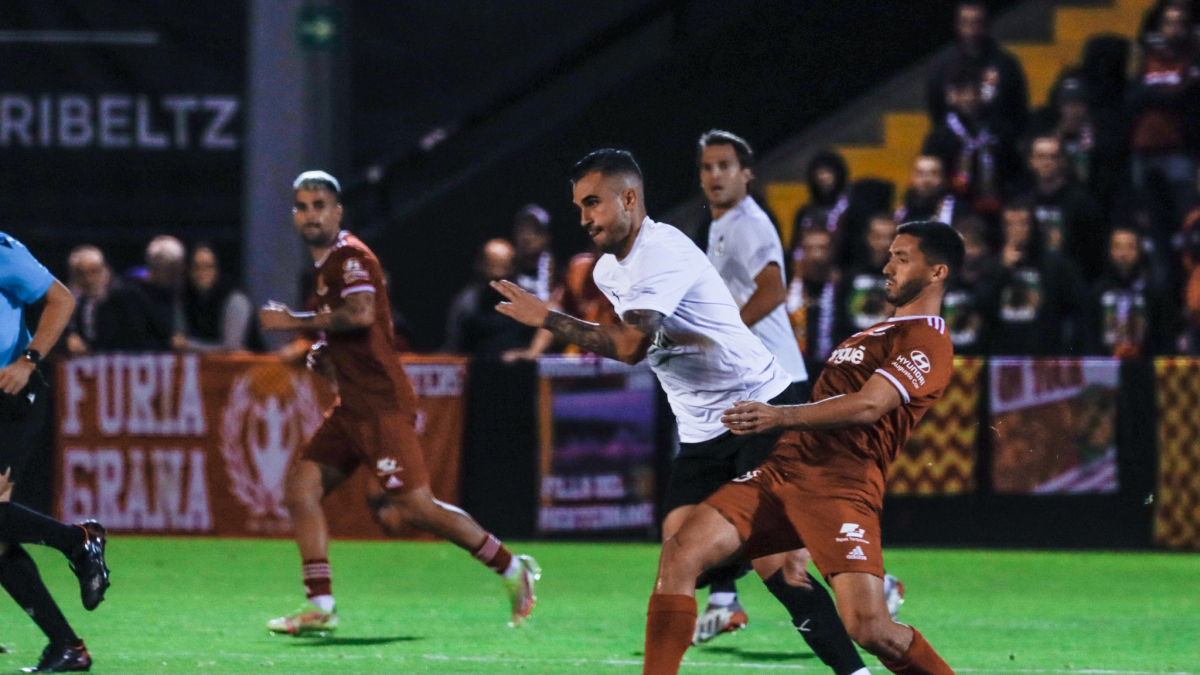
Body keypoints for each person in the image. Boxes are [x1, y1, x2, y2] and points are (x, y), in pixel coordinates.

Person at [491, 150, 869, 675]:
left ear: (629, 198)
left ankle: (857, 664)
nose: (584, 218)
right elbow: (646, 343)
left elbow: (629, 347)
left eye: (593, 203)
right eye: (579, 206)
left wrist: (547, 318)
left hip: (759, 412)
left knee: (778, 568)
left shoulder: (664, 248)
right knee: (676, 557)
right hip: (702, 436)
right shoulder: (606, 269)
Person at [638, 221, 964, 675]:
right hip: (782, 474)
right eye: (889, 255)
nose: (887, 267)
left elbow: (870, 406)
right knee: (680, 553)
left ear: (937, 273)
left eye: (902, 258)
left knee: (870, 629)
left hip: (841, 489)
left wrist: (779, 415)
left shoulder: (928, 341)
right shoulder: (869, 334)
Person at [258, 171, 539, 635]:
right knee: (300, 490)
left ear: (337, 211)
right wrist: (327, 354)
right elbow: (357, 330)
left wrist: (295, 321)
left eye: (319, 205)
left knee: (417, 507)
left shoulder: (350, 257)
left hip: (381, 404)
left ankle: (512, 569)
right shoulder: (325, 266)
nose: (310, 214)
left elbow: (362, 313)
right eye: (302, 206)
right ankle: (321, 606)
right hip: (352, 406)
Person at [701, 131, 881, 665]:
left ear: (747, 173)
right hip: (754, 392)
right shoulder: (720, 225)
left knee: (773, 556)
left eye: (725, 165)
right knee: (765, 540)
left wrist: (719, 334)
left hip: (772, 392)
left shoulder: (750, 223)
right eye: (707, 166)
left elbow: (774, 290)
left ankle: (730, 597)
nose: (713, 175)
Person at [0, 232, 109, 672]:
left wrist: (28, 360)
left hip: (9, 397)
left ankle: (80, 540)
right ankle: (67, 646)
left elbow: (60, 300)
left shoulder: (2, 250)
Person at [1128, 2, 1200, 227]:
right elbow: (1132, 98)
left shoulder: (1193, 58)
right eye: (1169, 22)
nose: (1174, 28)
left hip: (1180, 152)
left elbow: (1187, 97)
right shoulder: (1147, 59)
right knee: (1153, 226)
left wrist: (1153, 94)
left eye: (1179, 23)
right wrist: (1168, 95)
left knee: (1188, 221)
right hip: (1144, 152)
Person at [989, 200, 1086, 355]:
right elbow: (984, 308)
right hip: (1004, 354)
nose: (1016, 230)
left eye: (1023, 224)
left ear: (1033, 226)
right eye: (1010, 225)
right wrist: (1003, 271)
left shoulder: (1056, 265)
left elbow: (1077, 309)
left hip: (1045, 354)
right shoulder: (993, 265)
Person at [926, 1, 1029, 133]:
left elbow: (1018, 109)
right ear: (957, 25)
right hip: (953, 143)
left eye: (976, 23)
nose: (971, 31)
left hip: (997, 143)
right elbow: (936, 108)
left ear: (986, 25)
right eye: (965, 23)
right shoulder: (942, 65)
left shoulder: (1006, 65)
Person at [441, 238, 538, 357]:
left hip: (522, 370)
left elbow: (552, 322)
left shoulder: (529, 298)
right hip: (481, 370)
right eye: (494, 265)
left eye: (505, 266)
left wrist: (532, 352)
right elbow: (455, 347)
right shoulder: (467, 303)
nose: (499, 275)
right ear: (481, 265)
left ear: (514, 266)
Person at [1089, 227, 1176, 357]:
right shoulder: (1097, 291)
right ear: (1109, 251)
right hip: (1105, 366)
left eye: (1130, 247)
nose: (1123, 254)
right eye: (1117, 247)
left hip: (1145, 366)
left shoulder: (1153, 293)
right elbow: (1090, 336)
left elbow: (1164, 337)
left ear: (1139, 251)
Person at [63, 245, 164, 354]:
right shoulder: (73, 300)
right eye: (81, 274)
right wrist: (70, 338)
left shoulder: (125, 295)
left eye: (93, 271)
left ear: (104, 269)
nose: (88, 279)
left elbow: (136, 334)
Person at [175, 243, 260, 352]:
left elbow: (232, 349)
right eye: (196, 267)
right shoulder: (185, 298)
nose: (202, 273)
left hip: (247, 367)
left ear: (217, 269)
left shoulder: (235, 300)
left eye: (208, 267)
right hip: (203, 367)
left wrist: (189, 346)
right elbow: (178, 339)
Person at [787, 228, 842, 375]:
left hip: (833, 369)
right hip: (795, 367)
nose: (816, 256)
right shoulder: (786, 287)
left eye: (822, 248)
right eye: (809, 248)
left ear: (832, 251)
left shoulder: (842, 288)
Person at [942, 217, 999, 355]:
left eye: (972, 245)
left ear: (984, 248)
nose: (966, 252)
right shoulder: (940, 283)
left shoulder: (995, 282)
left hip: (983, 361)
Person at [838, 213, 898, 341]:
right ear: (868, 238)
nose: (884, 244)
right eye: (878, 237)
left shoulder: (908, 280)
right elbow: (840, 321)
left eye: (891, 237)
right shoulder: (850, 277)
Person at [791, 150, 852, 266]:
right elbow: (795, 246)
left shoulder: (849, 212)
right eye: (819, 172)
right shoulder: (804, 213)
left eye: (828, 172)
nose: (823, 177)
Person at [134, 235, 185, 350]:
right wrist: (168, 342)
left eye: (176, 267)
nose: (173, 274)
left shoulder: (185, 293)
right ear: (153, 267)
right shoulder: (136, 297)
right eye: (167, 268)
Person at [894, 155, 970, 230]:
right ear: (912, 178)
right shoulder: (901, 211)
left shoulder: (958, 210)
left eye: (934, 173)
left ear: (943, 179)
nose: (927, 180)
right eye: (920, 173)